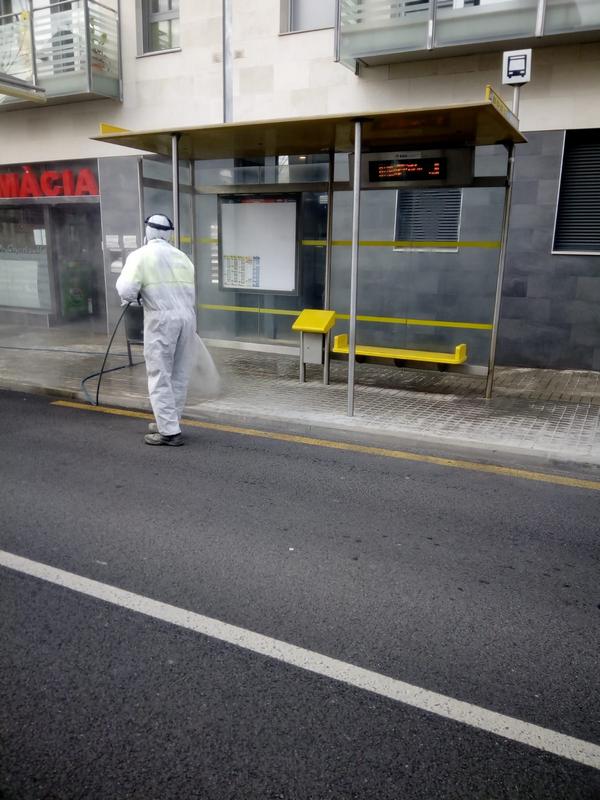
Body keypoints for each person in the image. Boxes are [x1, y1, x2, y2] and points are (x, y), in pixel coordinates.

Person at [116, 214, 196, 446]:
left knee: (160, 374)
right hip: (188, 319)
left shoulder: (140, 255)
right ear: (169, 233)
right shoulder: (182, 257)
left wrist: (138, 297)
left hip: (162, 320)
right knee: (179, 374)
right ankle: (170, 421)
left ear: (148, 231)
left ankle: (168, 432)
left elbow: (126, 290)